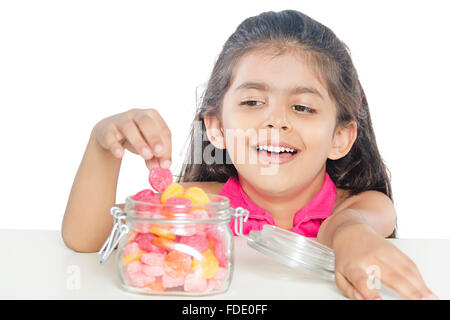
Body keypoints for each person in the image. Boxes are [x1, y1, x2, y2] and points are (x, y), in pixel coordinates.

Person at [61, 9, 438, 300]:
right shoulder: (197, 207)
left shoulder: (360, 204)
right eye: (253, 101)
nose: (276, 121)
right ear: (217, 128)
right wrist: (102, 147)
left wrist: (352, 238)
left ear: (340, 136)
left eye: (303, 108)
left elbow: (354, 223)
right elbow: (84, 241)